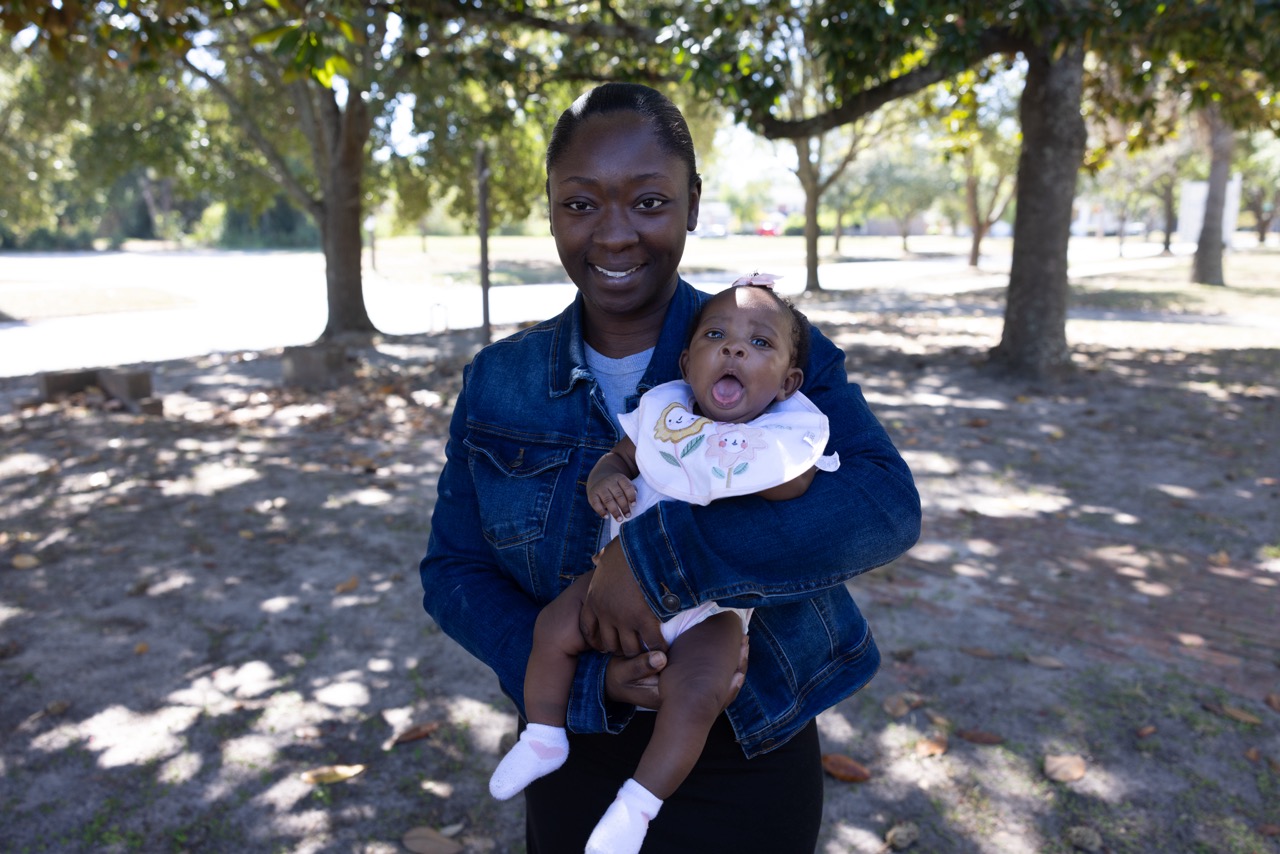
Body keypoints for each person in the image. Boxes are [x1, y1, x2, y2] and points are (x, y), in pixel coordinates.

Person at [419, 82, 921, 853]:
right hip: (574, 748)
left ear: (692, 202)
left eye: (648, 203)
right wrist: (588, 683)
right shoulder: (499, 381)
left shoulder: (770, 343)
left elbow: (882, 507)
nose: (614, 235)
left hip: (751, 742)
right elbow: (453, 572)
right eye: (580, 204)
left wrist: (655, 565)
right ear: (550, 207)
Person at [489, 277, 841, 853]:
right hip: (610, 586)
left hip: (713, 610)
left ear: (788, 382)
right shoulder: (665, 413)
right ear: (687, 360)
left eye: (759, 345)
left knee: (699, 692)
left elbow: (797, 490)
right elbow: (622, 455)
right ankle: (545, 733)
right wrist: (605, 476)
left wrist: (757, 460)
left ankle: (637, 805)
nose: (734, 349)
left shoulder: (781, 435)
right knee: (553, 626)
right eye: (716, 336)